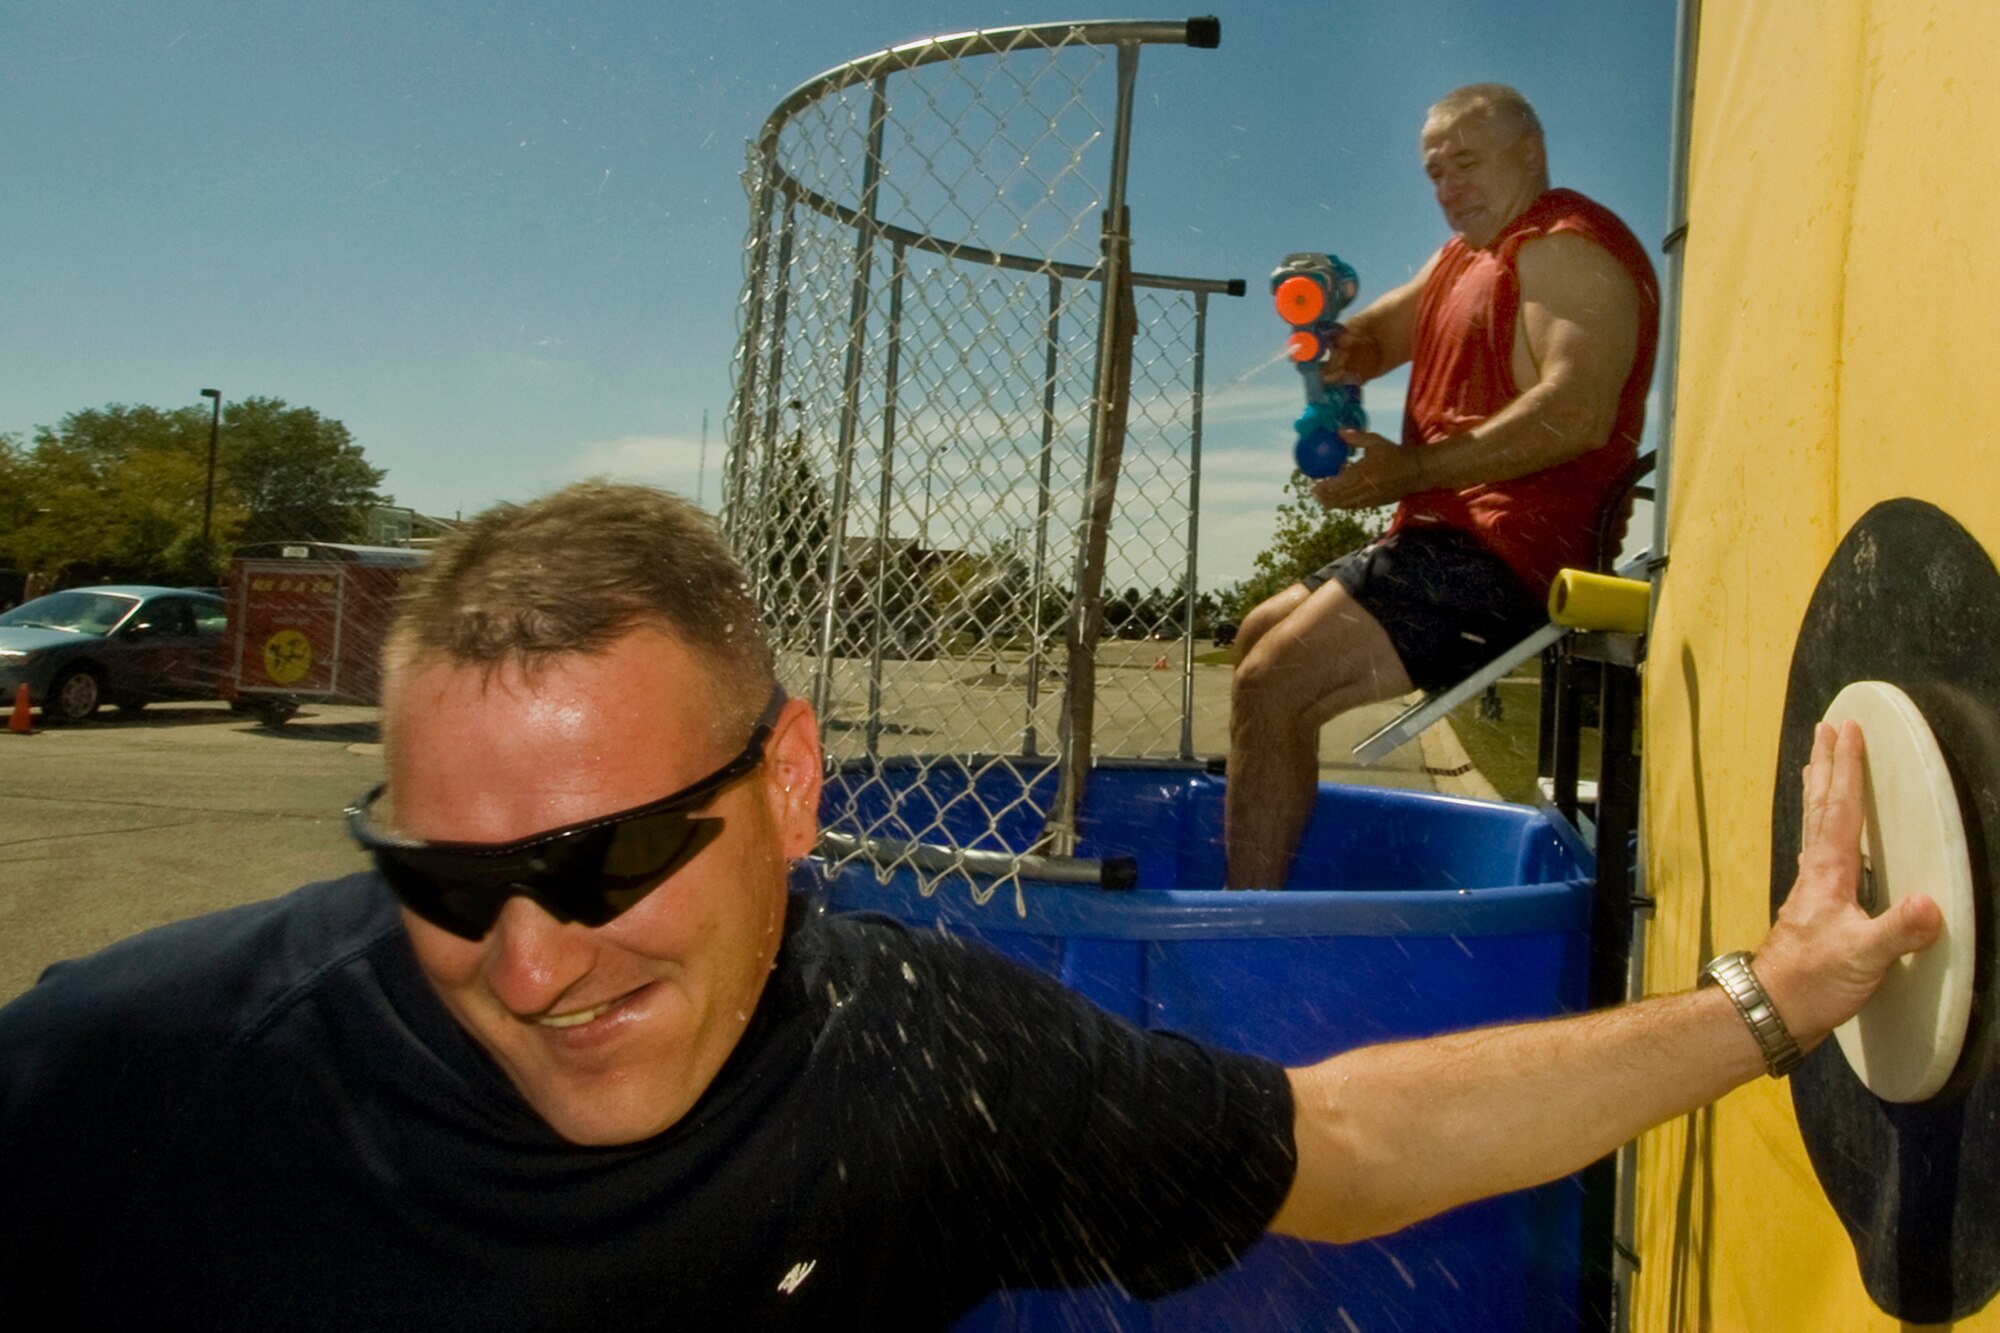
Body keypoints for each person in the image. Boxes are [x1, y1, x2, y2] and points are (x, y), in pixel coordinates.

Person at [0, 482, 1937, 1328]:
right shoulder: (132, 1077)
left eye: (610, 859)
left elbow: (1338, 1145)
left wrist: (1766, 1004)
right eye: (442, 879)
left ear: (788, 785)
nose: (531, 959)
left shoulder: (916, 1063)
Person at [1228, 83, 1660, 889]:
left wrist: (1416, 469)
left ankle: (1242, 920)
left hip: (1513, 552)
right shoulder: (1463, 257)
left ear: (1528, 153)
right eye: (1434, 172)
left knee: (1273, 682)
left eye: (1466, 162)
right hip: (1439, 539)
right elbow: (1377, 334)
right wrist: (1333, 344)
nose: (1448, 187)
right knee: (1257, 638)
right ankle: (1271, 869)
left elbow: (1577, 413)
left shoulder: (1567, 248)